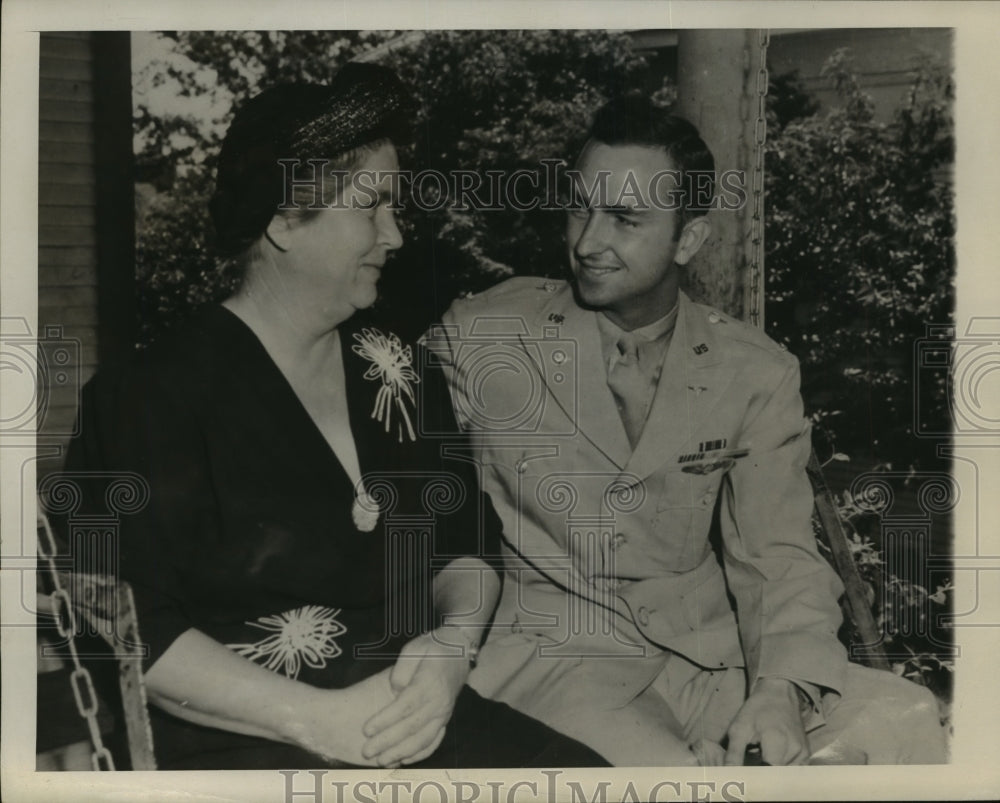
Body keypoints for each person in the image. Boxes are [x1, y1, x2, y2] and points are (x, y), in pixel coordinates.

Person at [63, 63, 605, 770]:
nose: (397, 235)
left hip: (414, 715)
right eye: (372, 206)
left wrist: (451, 647)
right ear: (286, 219)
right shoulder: (147, 398)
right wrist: (320, 719)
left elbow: (464, 536)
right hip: (248, 740)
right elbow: (141, 631)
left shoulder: (403, 370)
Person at [426, 92, 948, 766]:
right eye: (581, 207)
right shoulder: (483, 334)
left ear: (690, 238)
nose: (587, 242)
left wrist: (780, 687)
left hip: (710, 661)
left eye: (624, 219)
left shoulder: (753, 369)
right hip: (555, 659)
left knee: (901, 724)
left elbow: (777, 554)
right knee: (679, 777)